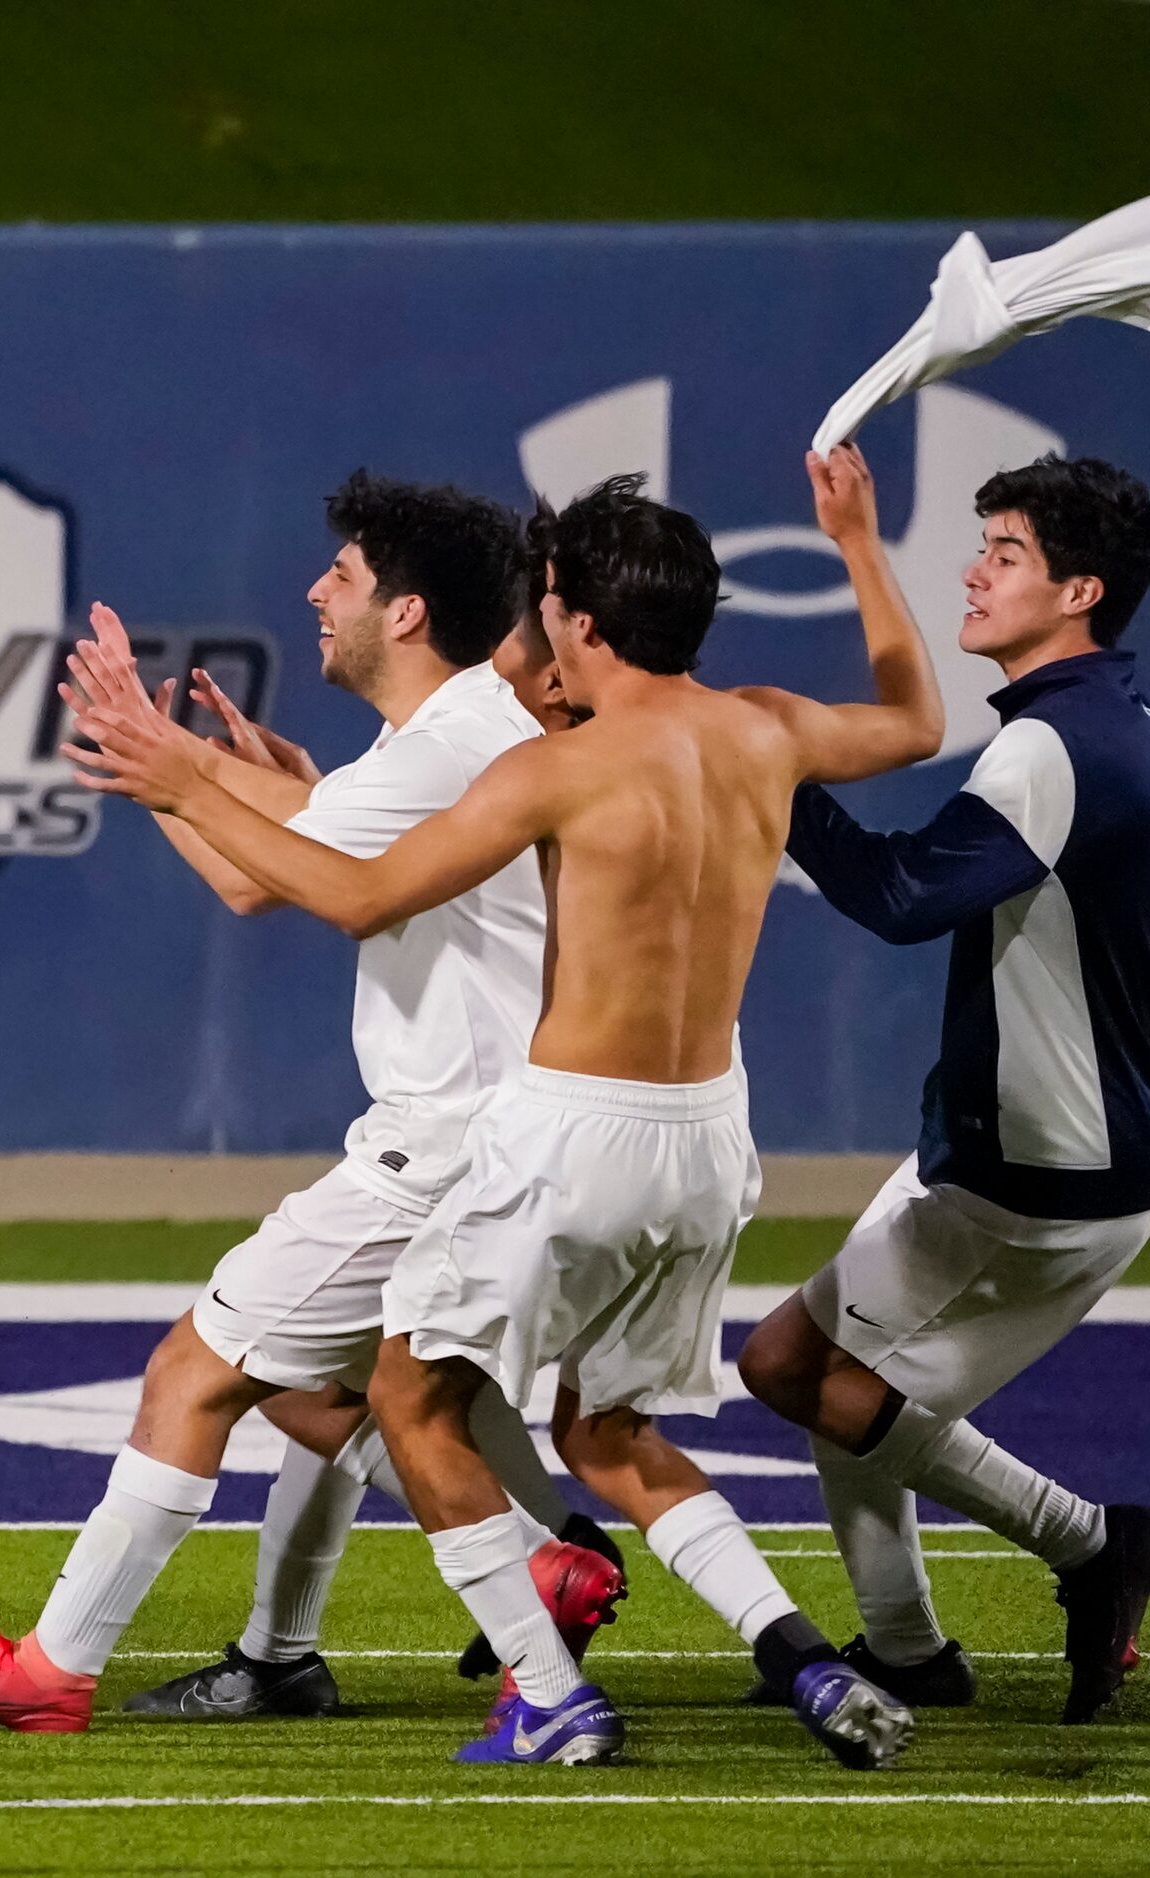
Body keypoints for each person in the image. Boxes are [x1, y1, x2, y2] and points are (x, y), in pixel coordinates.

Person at [61, 449, 947, 1768]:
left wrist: (189, 782)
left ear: (584, 622)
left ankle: (551, 1691)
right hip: (713, 1139)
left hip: (573, 1129)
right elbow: (919, 719)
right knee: (605, 1431)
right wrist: (864, 544)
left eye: (551, 612)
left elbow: (359, 894)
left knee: (408, 1401)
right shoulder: (766, 726)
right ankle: (807, 1662)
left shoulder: (560, 769)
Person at [0, 474, 608, 1731]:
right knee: (332, 1389)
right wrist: (169, 773)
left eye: (341, 574)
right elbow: (252, 881)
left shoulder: (452, 742)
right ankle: (522, 1565)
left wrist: (176, 764)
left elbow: (323, 870)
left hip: (446, 1148)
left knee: (191, 1372)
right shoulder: (454, 732)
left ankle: (51, 1671)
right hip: (495, 1142)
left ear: (407, 610)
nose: (313, 591)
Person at [739, 453, 1150, 1726]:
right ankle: (908, 1651)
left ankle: (1088, 1543)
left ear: (1078, 590)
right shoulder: (1111, 716)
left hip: (1037, 1173)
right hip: (1026, 1146)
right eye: (979, 545)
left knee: (797, 1372)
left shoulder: (1050, 744)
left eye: (1006, 552)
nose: (973, 570)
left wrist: (770, 775)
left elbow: (903, 897)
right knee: (828, 1376)